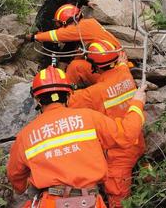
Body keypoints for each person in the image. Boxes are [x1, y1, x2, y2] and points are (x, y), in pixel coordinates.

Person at [7, 66, 146, 208]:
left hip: (51, 203)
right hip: (90, 201)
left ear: (37, 99)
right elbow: (127, 134)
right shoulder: (89, 118)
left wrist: (27, 183)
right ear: (69, 94)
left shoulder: (26, 135)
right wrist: (137, 104)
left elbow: (16, 177)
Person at [67, 41, 143, 208]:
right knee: (141, 174)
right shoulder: (125, 73)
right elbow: (122, 65)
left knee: (118, 198)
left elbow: (65, 102)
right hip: (137, 138)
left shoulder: (94, 93)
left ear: (94, 66)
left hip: (118, 152)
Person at [26, 4, 121, 87]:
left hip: (110, 70)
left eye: (60, 23)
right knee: (76, 61)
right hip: (115, 64)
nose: (60, 27)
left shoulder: (79, 28)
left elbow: (57, 35)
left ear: (66, 21)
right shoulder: (88, 23)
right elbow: (83, 52)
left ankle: (63, 88)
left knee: (74, 67)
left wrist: (35, 37)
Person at [34, 0, 108, 67]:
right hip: (50, 13)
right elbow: (72, 5)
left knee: (71, 37)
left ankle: (63, 61)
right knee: (53, 41)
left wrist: (87, 2)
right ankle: (49, 67)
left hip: (56, 12)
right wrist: (76, 21)